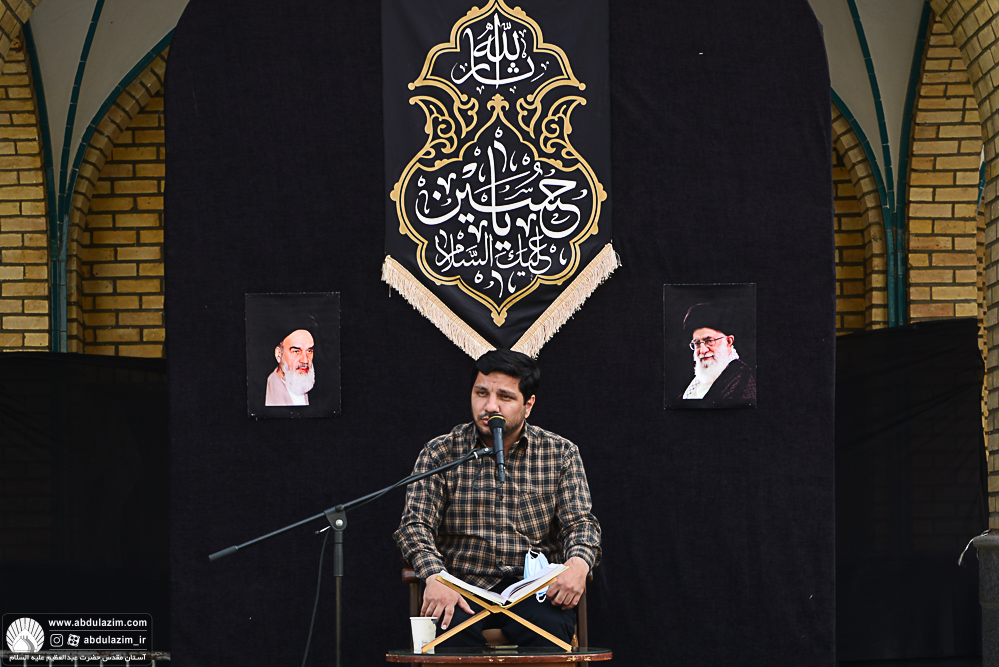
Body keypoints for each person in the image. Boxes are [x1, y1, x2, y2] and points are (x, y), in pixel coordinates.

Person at [394, 350, 601, 648]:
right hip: (461, 585)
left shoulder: (560, 453)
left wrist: (578, 565)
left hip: (532, 589)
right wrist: (434, 576)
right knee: (448, 630)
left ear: (528, 405)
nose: (490, 406)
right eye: (481, 393)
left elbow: (581, 523)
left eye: (504, 396)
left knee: (549, 628)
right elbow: (414, 525)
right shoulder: (440, 452)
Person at [681, 302, 756, 402]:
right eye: (697, 343)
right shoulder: (700, 379)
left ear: (728, 341)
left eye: (709, 341)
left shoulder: (742, 379)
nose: (702, 350)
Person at [264, 328, 315, 406]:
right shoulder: (266, 392)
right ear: (279, 354)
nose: (305, 360)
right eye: (296, 351)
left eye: (309, 351)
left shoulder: (310, 386)